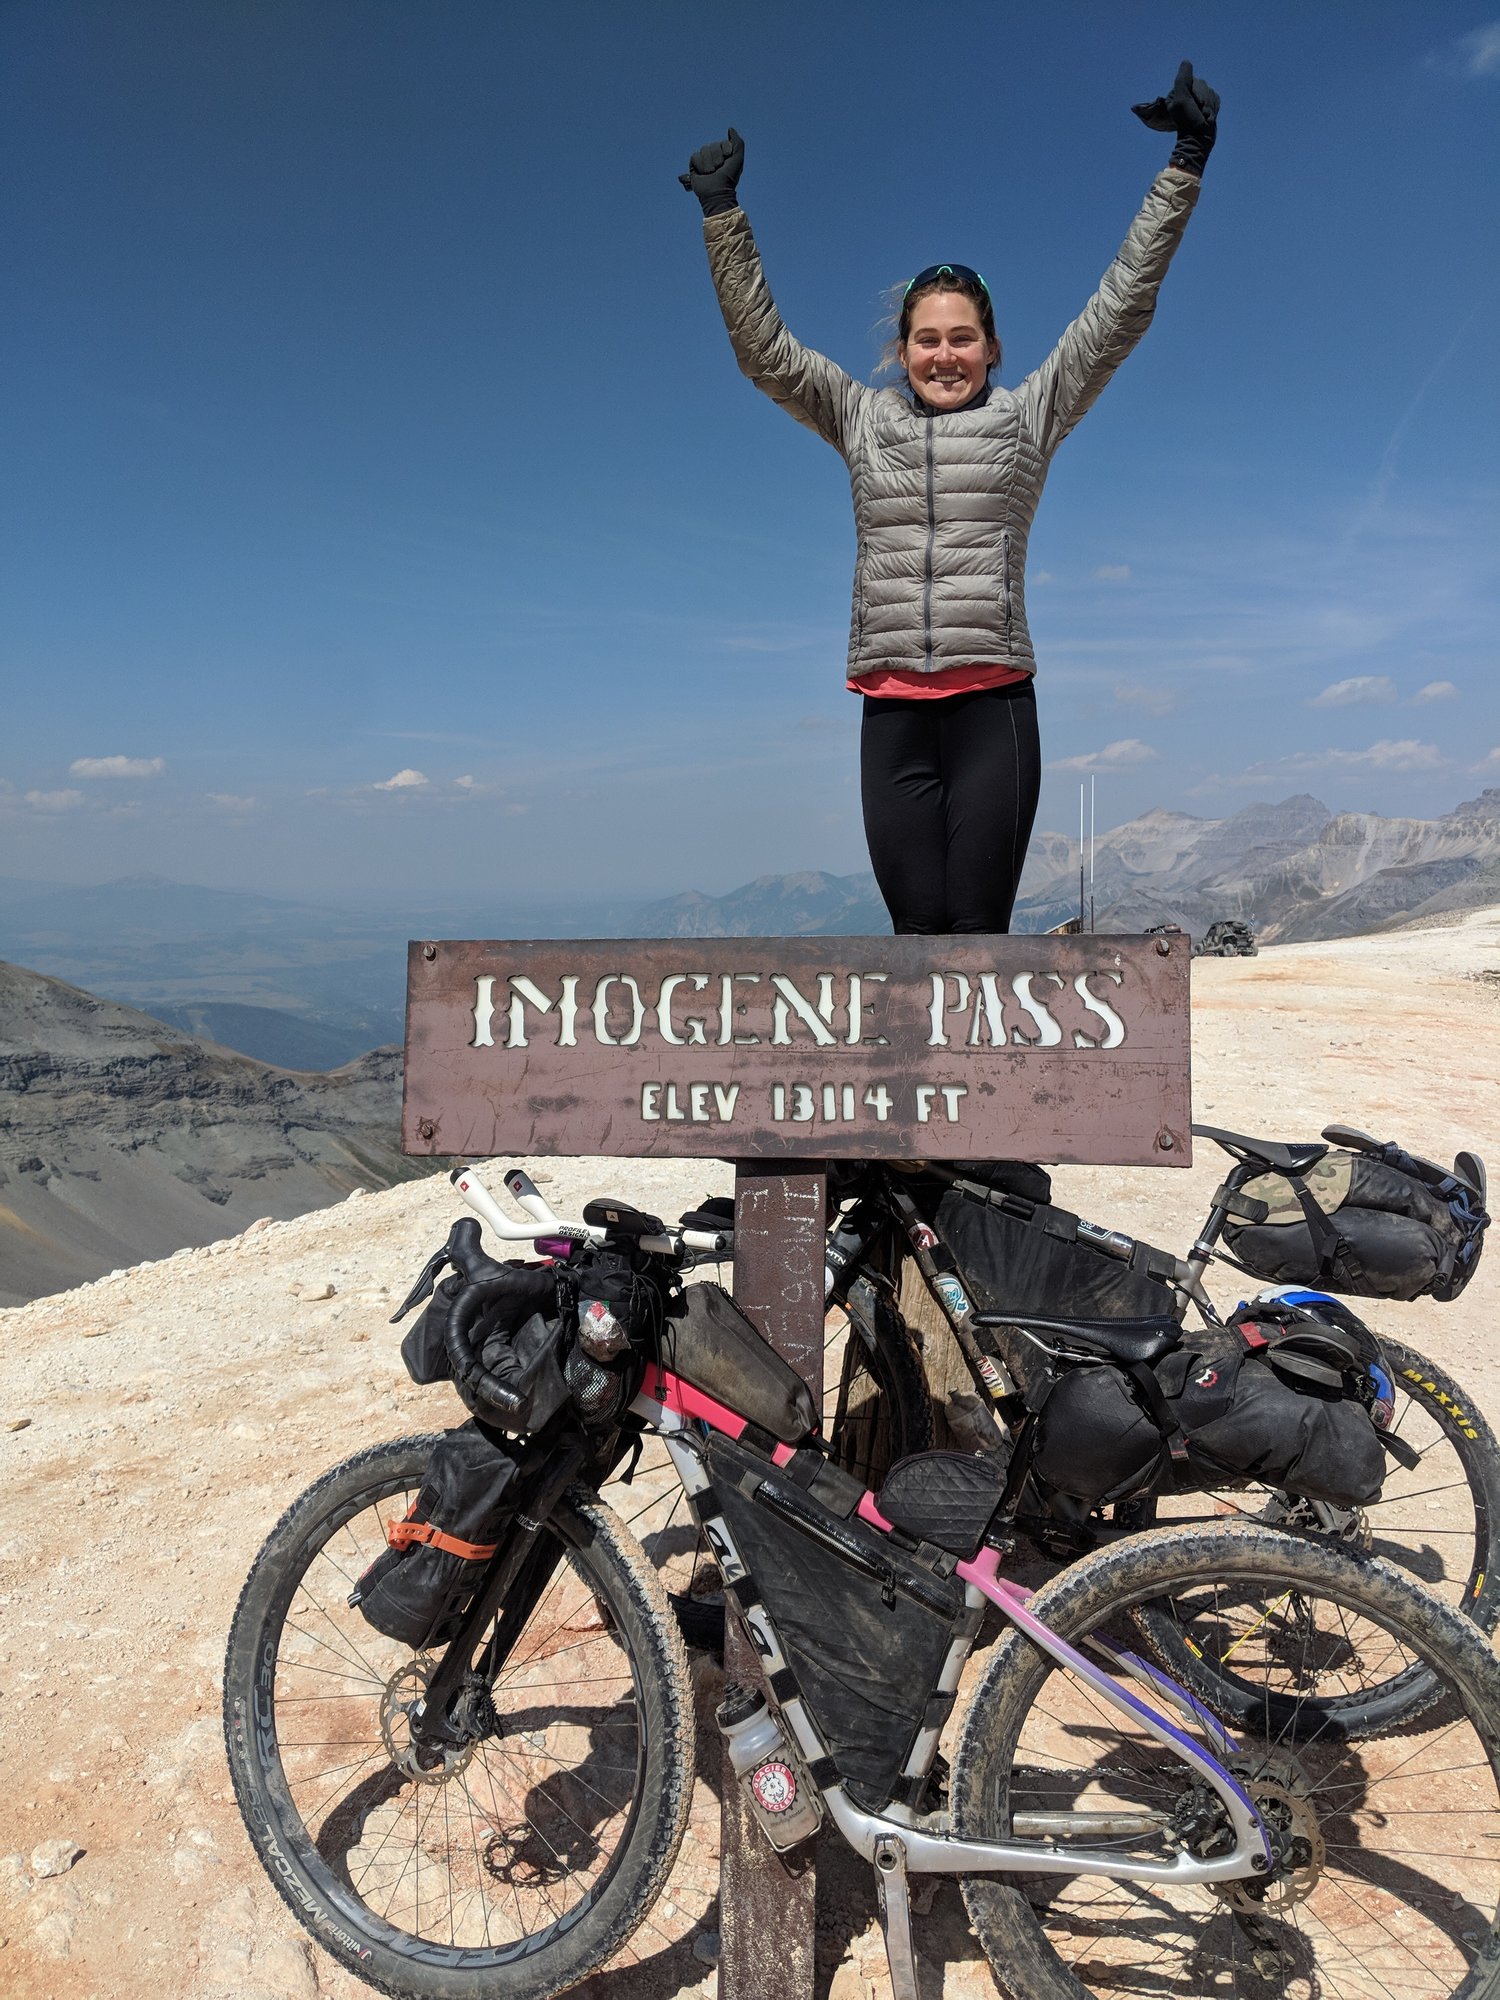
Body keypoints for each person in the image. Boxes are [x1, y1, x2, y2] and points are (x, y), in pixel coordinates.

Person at [680, 62, 1219, 936]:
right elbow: (766, 355)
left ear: (991, 347)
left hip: (994, 713)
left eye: (961, 338)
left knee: (976, 943)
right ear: (901, 351)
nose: (944, 355)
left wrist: (1186, 161)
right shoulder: (859, 418)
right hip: (891, 715)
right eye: (926, 339)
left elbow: (1121, 307)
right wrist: (721, 215)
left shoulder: (1028, 417)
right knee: (913, 947)